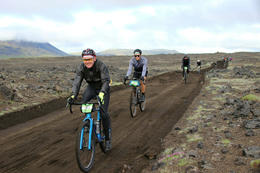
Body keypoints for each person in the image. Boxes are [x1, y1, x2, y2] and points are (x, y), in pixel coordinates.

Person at [67, 48, 112, 151]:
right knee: (84, 103)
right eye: (85, 60)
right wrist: (73, 95)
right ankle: (87, 124)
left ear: (94, 58)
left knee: (104, 113)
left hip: (103, 88)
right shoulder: (81, 67)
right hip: (91, 87)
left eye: (89, 59)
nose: (87, 62)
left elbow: (106, 81)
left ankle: (108, 139)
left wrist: (102, 93)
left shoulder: (101, 65)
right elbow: (77, 82)